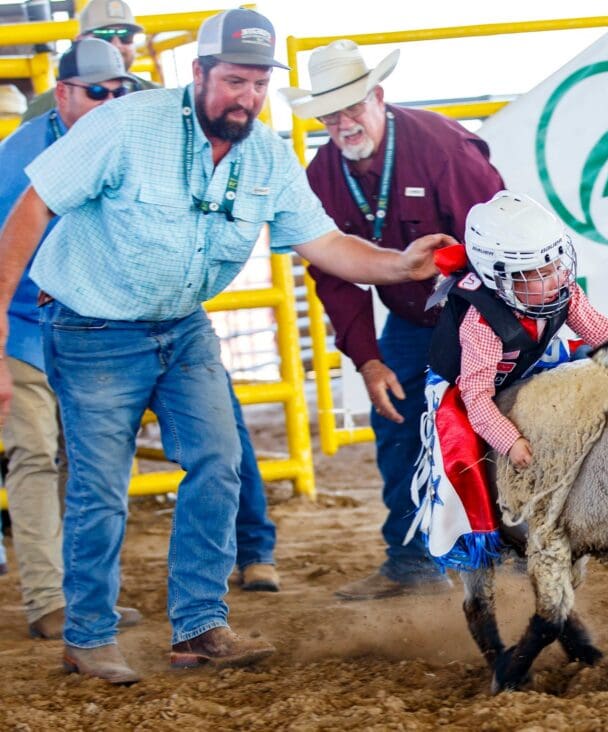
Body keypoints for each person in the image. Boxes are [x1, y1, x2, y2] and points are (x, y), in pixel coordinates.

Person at [0, 8, 451, 685]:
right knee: (100, 487)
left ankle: (198, 627)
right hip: (92, 328)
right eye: (234, 80)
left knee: (220, 461)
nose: (247, 96)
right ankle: (87, 636)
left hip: (181, 327)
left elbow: (322, 242)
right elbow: (34, 205)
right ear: (200, 73)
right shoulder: (126, 125)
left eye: (259, 83)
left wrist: (398, 265)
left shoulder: (266, 152)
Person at [19, 0, 282, 595]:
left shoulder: (162, 115)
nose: (112, 89)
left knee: (220, 444)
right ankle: (61, 608)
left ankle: (243, 562)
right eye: (96, 86)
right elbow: (21, 217)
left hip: (167, 313)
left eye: (126, 42)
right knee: (65, 466)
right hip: (61, 317)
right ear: (64, 92)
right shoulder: (52, 136)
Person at [282, 40, 504, 600]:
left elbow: (497, 238)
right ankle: (411, 563)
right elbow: (332, 274)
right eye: (330, 113)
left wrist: (493, 335)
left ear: (378, 96)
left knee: (498, 421)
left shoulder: (443, 147)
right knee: (397, 419)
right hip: (410, 319)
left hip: (482, 310)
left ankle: (515, 552)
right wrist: (368, 359)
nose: (343, 121)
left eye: (353, 105)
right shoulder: (322, 175)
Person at [0, 39, 148, 640]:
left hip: (91, 325)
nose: (111, 101)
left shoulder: (124, 144)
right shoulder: (15, 159)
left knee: (88, 462)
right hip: (24, 326)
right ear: (62, 95)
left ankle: (83, 599)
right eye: (97, 92)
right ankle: (47, 601)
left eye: (118, 91)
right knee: (37, 455)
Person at [408, 192, 608, 569]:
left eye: (556, 264)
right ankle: (472, 539)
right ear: (500, 278)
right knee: (459, 456)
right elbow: (477, 396)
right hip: (467, 387)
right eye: (537, 273)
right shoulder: (482, 324)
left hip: (531, 362)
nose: (555, 277)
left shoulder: (562, 291)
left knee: (599, 380)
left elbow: (600, 331)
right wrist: (510, 441)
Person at [22, 0, 158, 123]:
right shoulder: (44, 108)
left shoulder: (158, 96)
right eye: (104, 35)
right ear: (80, 41)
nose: (116, 45)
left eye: (125, 36)